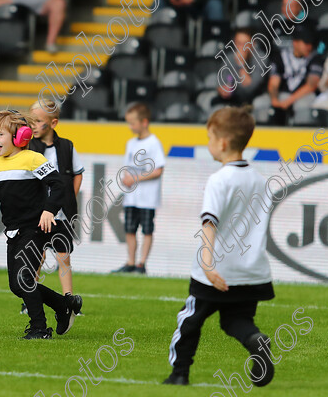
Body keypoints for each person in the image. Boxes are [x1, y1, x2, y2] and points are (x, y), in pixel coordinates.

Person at [163, 106, 275, 387]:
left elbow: (209, 224)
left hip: (216, 271)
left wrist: (208, 264)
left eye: (210, 137)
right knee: (236, 320)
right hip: (251, 272)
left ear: (222, 142)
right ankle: (256, 341)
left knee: (189, 321)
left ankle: (179, 375)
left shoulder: (219, 179)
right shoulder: (260, 180)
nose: (208, 144)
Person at [0, 109, 79, 340]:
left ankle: (39, 328)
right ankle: (63, 305)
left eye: (0, 134)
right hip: (14, 231)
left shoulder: (33, 159)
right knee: (17, 286)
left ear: (21, 136)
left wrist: (49, 211)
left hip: (35, 228)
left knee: (24, 280)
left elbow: (59, 185)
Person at [27, 99, 84, 313]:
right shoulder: (29, 148)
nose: (33, 125)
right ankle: (30, 297)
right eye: (31, 121)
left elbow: (77, 173)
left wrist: (69, 196)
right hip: (39, 211)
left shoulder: (67, 147)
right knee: (37, 254)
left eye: (38, 121)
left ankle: (69, 300)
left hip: (62, 214)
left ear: (53, 123)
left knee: (63, 256)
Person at [112, 102, 165, 274]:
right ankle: (131, 262)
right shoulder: (131, 143)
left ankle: (142, 263)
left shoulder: (154, 143)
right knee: (129, 229)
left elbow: (158, 170)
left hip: (147, 198)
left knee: (147, 230)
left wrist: (136, 177)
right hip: (132, 196)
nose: (130, 126)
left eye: (133, 123)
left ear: (144, 122)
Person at [265, 26, 324, 116]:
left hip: (304, 96)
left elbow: (311, 85)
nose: (309, 46)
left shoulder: (315, 58)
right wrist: (274, 100)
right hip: (283, 94)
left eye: (310, 43)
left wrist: (288, 101)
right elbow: (273, 83)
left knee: (301, 106)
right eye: (305, 43)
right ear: (295, 43)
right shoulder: (281, 56)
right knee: (260, 103)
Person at [214, 29, 267, 106]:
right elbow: (222, 82)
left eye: (245, 44)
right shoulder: (230, 58)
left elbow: (249, 89)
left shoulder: (261, 58)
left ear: (253, 44)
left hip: (255, 97)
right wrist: (223, 89)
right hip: (234, 97)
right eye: (239, 43)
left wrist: (241, 63)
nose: (242, 47)